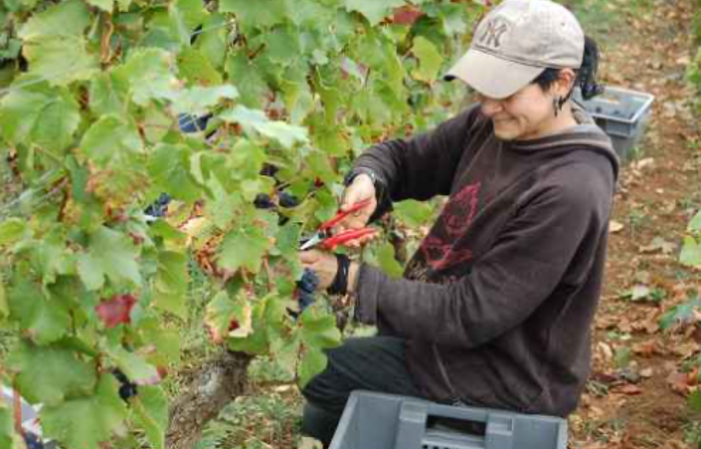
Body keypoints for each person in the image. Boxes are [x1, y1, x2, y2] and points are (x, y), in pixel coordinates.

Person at [298, 0, 619, 445]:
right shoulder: (496, 124)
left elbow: (468, 314)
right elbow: (407, 159)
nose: (488, 106)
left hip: (503, 374)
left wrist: (348, 278)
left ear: (561, 82)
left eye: (504, 91)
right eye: (483, 89)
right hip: (451, 340)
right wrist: (369, 179)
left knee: (319, 370)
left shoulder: (570, 189)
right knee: (329, 393)